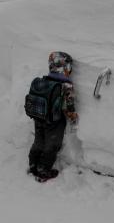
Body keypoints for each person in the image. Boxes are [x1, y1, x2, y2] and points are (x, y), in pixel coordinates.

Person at [28, 51, 78, 181]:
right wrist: (73, 117)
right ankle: (43, 170)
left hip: (39, 116)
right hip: (54, 121)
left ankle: (33, 164)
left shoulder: (45, 80)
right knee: (52, 145)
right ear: (65, 67)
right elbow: (69, 107)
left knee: (39, 141)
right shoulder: (66, 86)